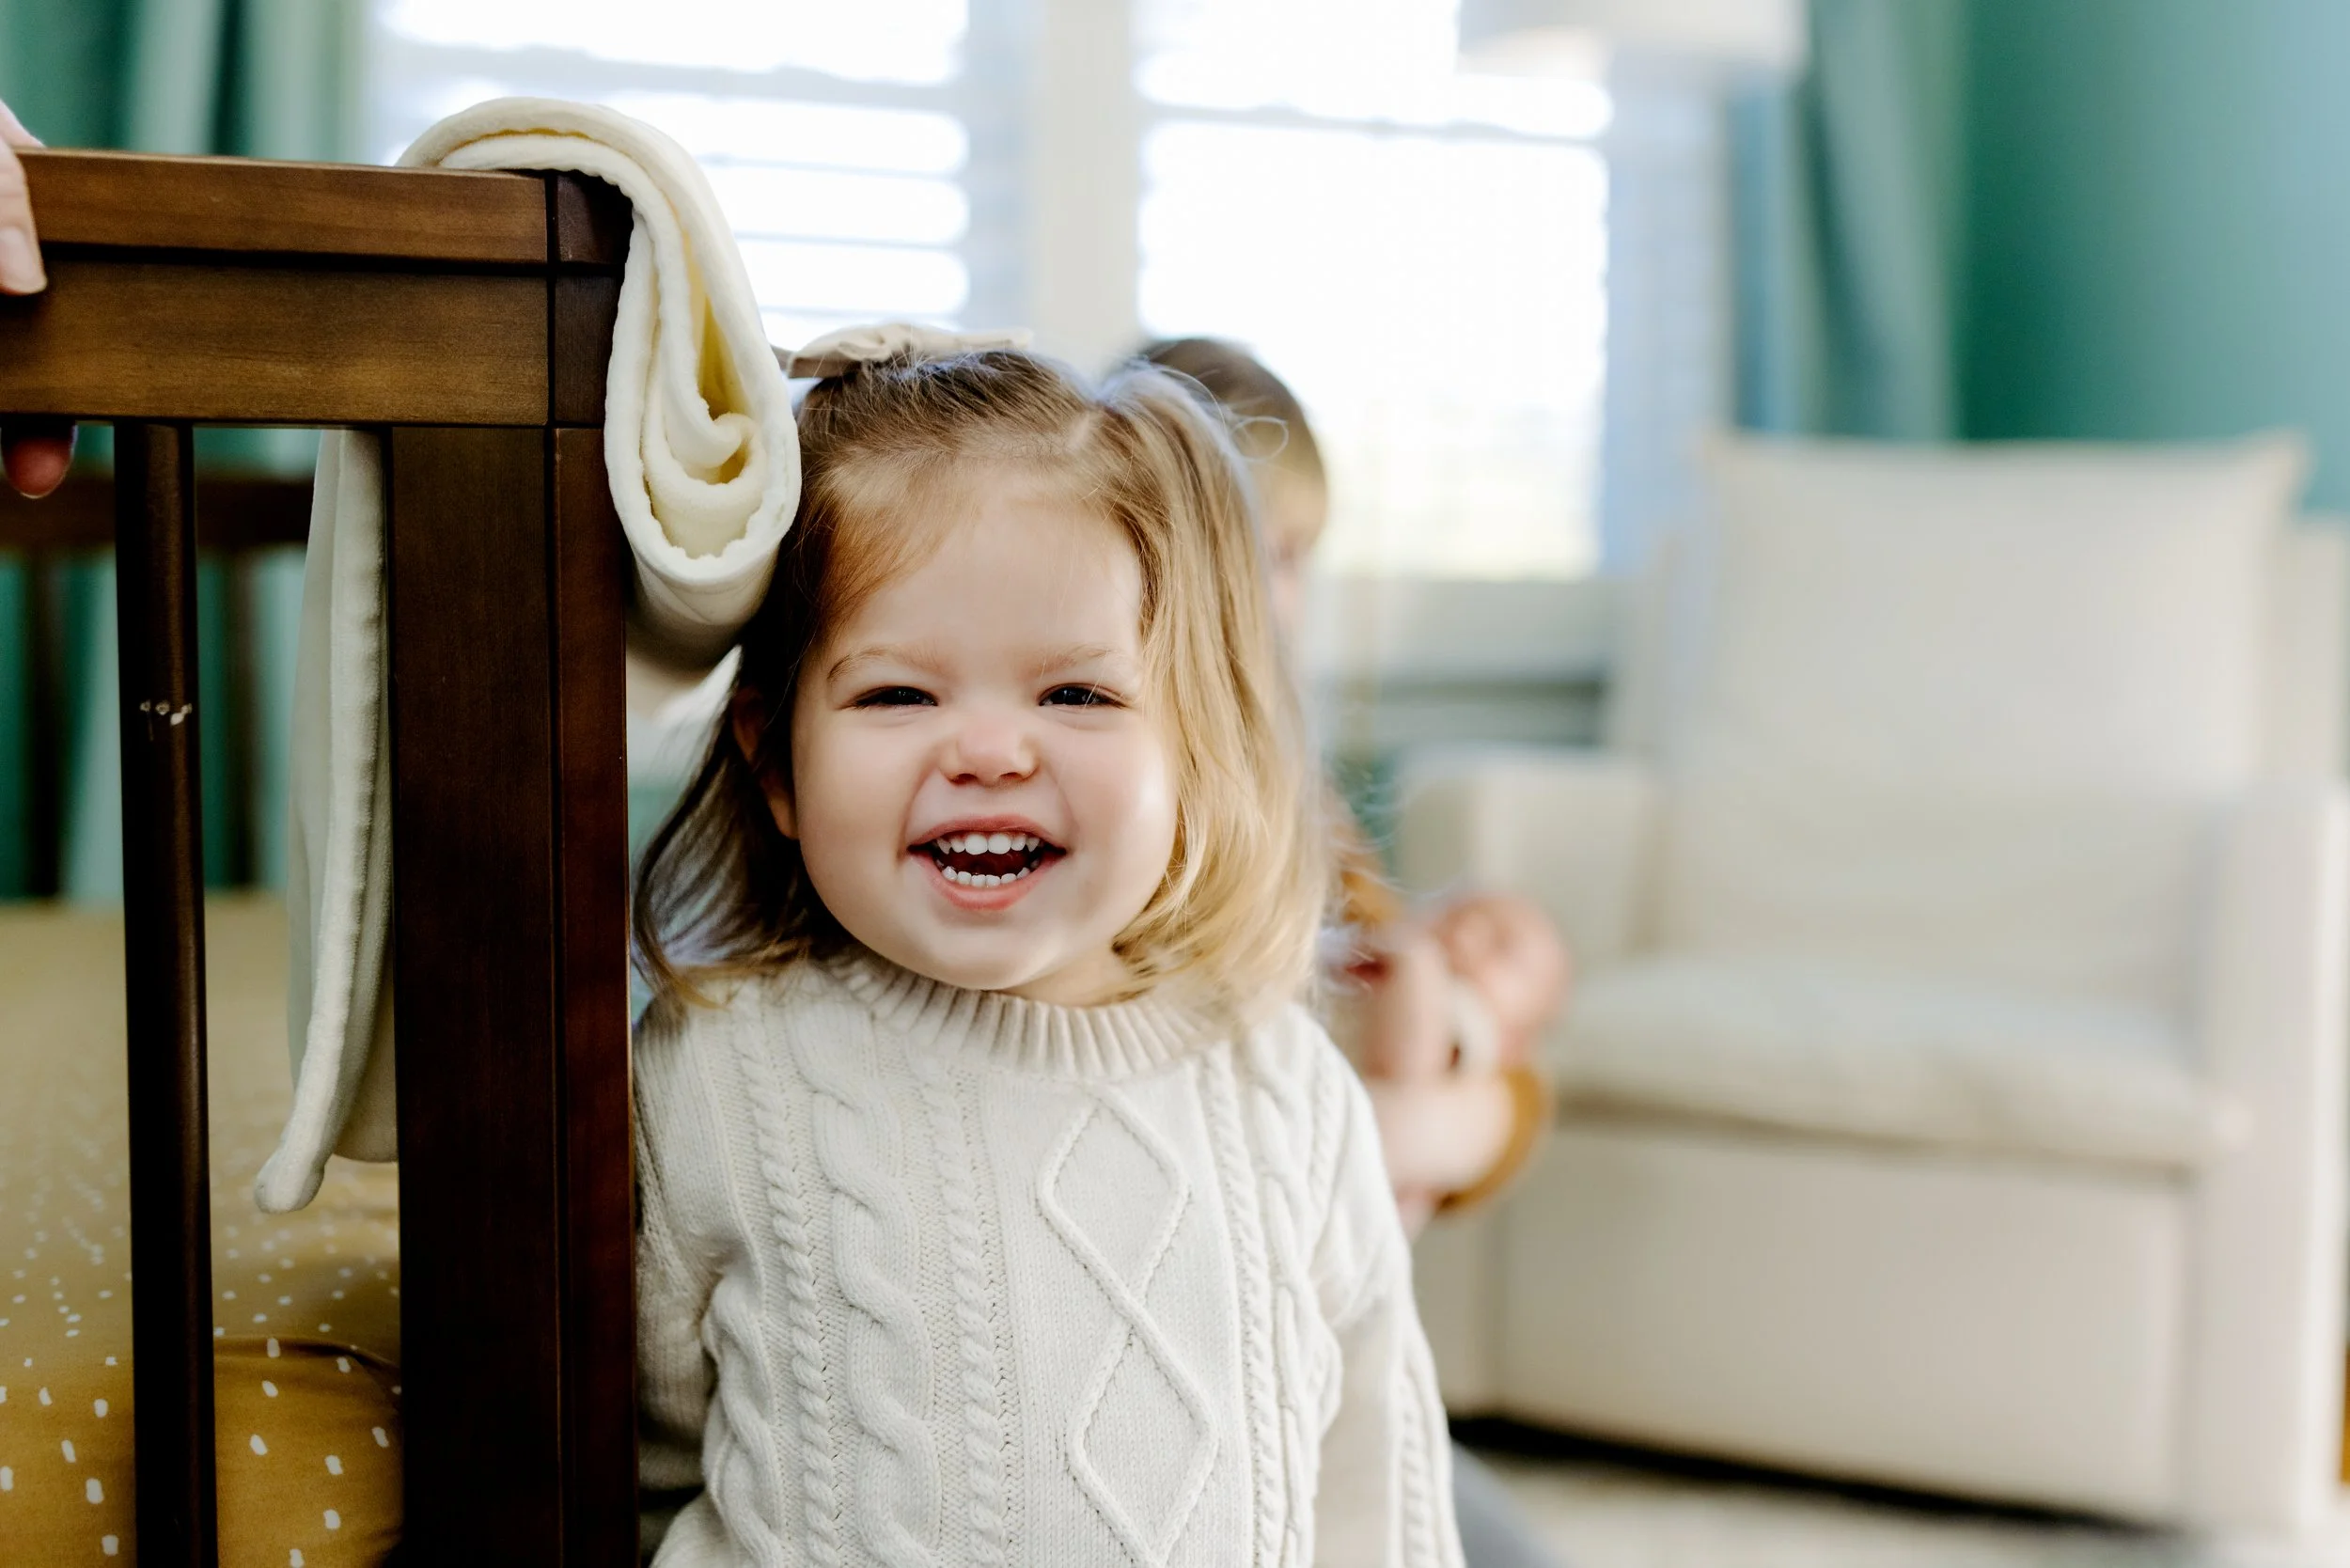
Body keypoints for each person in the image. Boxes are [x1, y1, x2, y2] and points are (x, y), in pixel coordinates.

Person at [632, 340, 1463, 1564]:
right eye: (897, 697)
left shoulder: (1285, 1091)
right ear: (775, 766)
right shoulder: (718, 1074)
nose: (989, 752)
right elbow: (627, 1459)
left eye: (1074, 696)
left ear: (1189, 748)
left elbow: (1375, 1496)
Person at [1140, 337, 1571, 1568]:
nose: (1277, 598)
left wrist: (1470, 1059)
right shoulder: (1129, 814)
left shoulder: (1302, 801)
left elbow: (1494, 1097)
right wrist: (1410, 1121)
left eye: (1294, 562)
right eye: (1254, 554)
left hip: (1333, 1316)